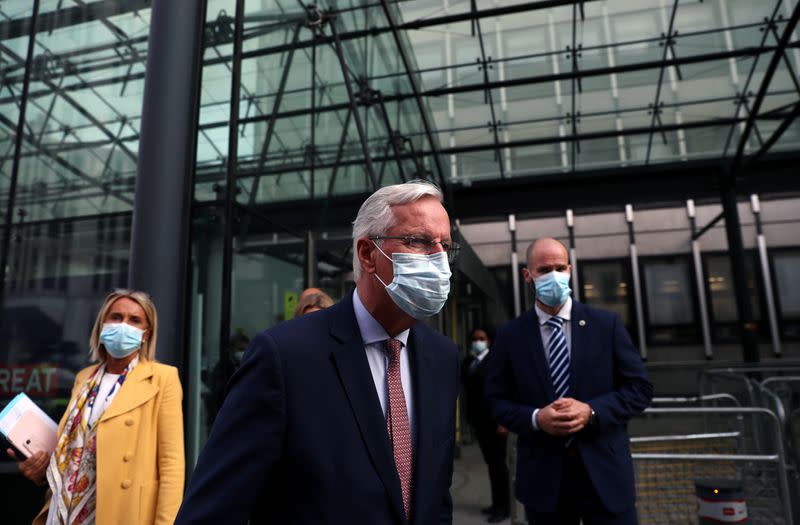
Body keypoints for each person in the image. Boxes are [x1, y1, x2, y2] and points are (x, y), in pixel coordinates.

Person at [175, 180, 460, 525]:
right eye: (419, 241)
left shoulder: (441, 357)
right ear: (368, 254)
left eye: (445, 246)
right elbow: (213, 510)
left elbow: (434, 496)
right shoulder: (284, 356)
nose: (439, 260)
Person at [485, 238, 652, 525]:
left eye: (560, 268)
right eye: (544, 269)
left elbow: (639, 389)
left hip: (606, 475)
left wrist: (592, 411)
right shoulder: (511, 335)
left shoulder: (606, 324)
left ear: (570, 270)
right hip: (544, 482)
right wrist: (537, 418)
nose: (554, 276)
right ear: (528, 275)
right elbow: (495, 401)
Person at [8, 289, 185, 525]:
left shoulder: (163, 378)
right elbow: (74, 452)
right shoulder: (84, 378)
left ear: (146, 334)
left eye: (134, 320)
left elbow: (172, 466)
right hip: (64, 511)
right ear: (102, 325)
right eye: (116, 317)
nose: (123, 325)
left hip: (121, 512)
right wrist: (40, 470)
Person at [461, 327, 509, 523]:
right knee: (491, 464)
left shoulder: (495, 362)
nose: (477, 341)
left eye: (481, 338)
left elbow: (504, 392)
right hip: (478, 421)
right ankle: (496, 503)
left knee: (499, 465)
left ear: (489, 340)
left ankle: (504, 507)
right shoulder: (469, 362)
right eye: (474, 338)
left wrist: (504, 421)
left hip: (494, 421)